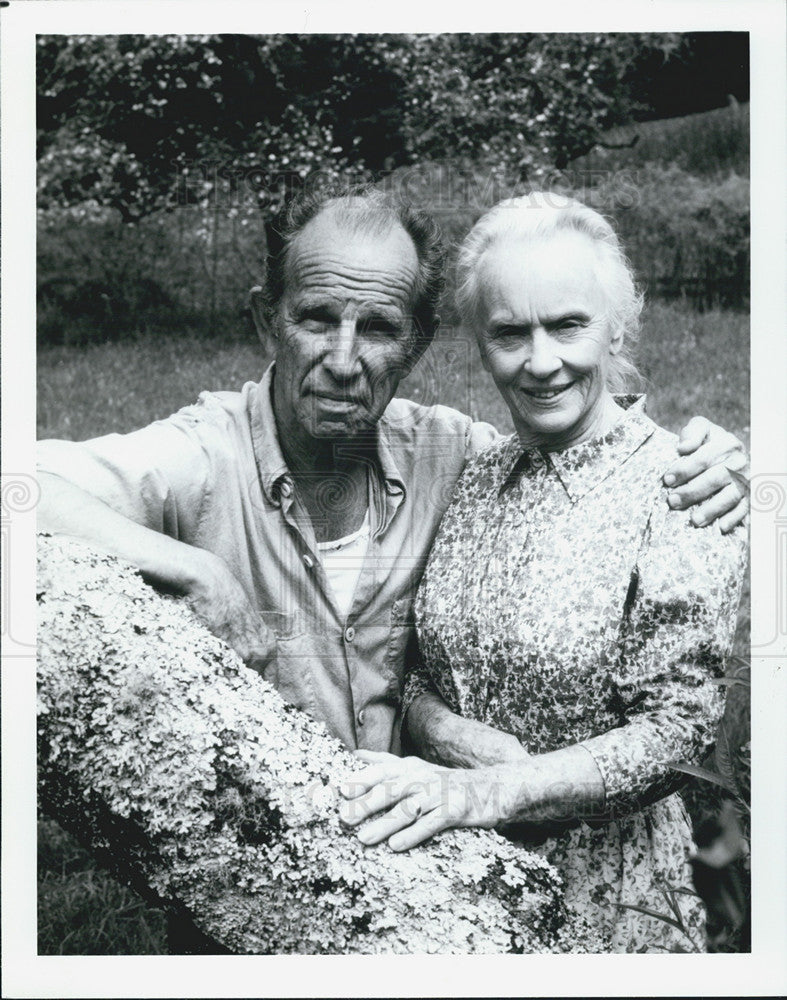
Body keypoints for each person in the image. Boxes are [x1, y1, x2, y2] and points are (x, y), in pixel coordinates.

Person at [38, 184, 747, 762]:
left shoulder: (451, 455)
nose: (343, 362)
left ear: (414, 346)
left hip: (425, 872)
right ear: (266, 322)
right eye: (316, 319)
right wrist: (196, 571)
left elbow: (577, 440)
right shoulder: (202, 456)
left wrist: (709, 460)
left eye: (377, 328)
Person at [337, 193, 748, 953]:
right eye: (509, 332)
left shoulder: (682, 488)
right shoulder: (474, 474)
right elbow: (421, 667)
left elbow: (675, 733)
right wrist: (443, 731)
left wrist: (486, 791)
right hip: (448, 874)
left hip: (609, 902)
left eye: (567, 325)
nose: (540, 361)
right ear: (479, 343)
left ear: (616, 326)